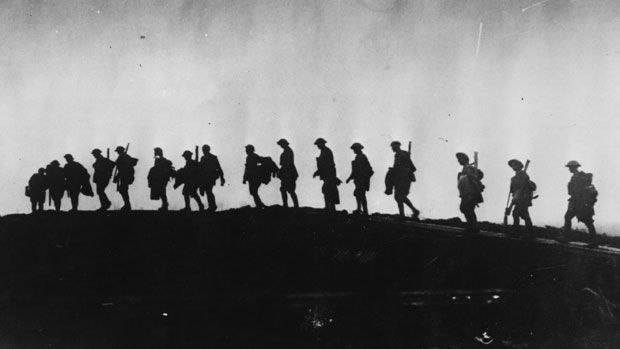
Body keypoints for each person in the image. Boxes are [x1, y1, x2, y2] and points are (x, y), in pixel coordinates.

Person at [563, 160, 598, 245]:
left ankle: (594, 241)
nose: (569, 169)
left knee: (587, 221)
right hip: (579, 203)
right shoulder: (579, 177)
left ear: (574, 167)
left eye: (570, 167)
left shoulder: (577, 177)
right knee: (569, 217)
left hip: (579, 203)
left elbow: (574, 191)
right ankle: (566, 237)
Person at [386, 141, 419, 219]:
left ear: (397, 146)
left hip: (405, 179)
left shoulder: (403, 154)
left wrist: (404, 170)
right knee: (400, 197)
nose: (392, 148)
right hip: (399, 178)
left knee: (398, 196)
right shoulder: (397, 155)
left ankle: (402, 215)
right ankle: (414, 211)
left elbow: (411, 167)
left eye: (393, 147)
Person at [456, 152, 484, 233]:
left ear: (464, 159)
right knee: (465, 208)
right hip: (466, 193)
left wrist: (478, 185)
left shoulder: (468, 168)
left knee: (467, 208)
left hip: (471, 192)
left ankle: (473, 227)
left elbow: (474, 178)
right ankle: (472, 226)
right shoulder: (466, 168)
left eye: (459, 159)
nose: (458, 161)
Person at [505, 159, 534, 237]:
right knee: (523, 214)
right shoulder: (514, 177)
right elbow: (514, 191)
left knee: (518, 214)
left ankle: (519, 231)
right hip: (517, 198)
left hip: (523, 198)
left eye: (515, 165)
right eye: (512, 165)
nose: (513, 166)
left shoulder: (524, 175)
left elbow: (525, 187)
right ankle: (528, 232)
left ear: (519, 166)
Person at [312, 138, 340, 211]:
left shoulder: (326, 151)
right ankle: (329, 207)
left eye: (318, 144)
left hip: (329, 175)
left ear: (322, 143)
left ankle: (330, 207)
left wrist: (317, 172)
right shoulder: (324, 151)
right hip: (327, 175)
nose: (317, 146)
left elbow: (325, 164)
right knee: (327, 190)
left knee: (328, 190)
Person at [346, 143, 373, 215]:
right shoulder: (358, 157)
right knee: (358, 194)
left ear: (358, 149)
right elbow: (355, 170)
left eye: (354, 149)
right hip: (358, 180)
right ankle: (359, 209)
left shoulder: (362, 157)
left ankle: (365, 211)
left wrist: (362, 177)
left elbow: (367, 170)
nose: (353, 150)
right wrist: (350, 178)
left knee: (361, 195)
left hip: (362, 180)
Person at [199, 144, 225, 212]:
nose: (203, 151)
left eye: (204, 149)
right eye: (203, 149)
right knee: (207, 191)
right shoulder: (203, 158)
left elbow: (218, 167)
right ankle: (212, 206)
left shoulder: (213, 157)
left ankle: (212, 206)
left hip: (211, 176)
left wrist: (222, 178)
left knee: (208, 191)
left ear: (208, 150)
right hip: (204, 177)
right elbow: (200, 168)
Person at [114, 146, 138, 211]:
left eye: (118, 151)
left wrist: (117, 176)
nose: (117, 152)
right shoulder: (123, 157)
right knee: (123, 190)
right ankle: (127, 204)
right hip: (123, 176)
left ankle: (127, 205)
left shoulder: (124, 157)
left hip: (125, 176)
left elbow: (123, 169)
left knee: (123, 190)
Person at [276, 139, 299, 208]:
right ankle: (287, 205)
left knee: (290, 190)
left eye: (281, 144)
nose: (280, 146)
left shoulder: (288, 151)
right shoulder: (287, 151)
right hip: (287, 173)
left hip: (289, 173)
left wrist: (281, 171)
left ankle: (293, 206)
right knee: (285, 189)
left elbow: (287, 164)